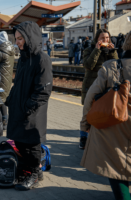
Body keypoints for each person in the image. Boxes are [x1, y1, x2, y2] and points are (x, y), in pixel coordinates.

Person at [80, 31, 131, 200]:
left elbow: (90, 98)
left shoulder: (111, 66)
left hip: (115, 125)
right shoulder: (92, 51)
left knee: (116, 166)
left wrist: (85, 124)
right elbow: (88, 64)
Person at [6, 21, 53, 191]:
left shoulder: (42, 59)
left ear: (29, 37)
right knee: (20, 143)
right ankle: (33, 172)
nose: (17, 42)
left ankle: (33, 175)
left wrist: (28, 107)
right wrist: (10, 99)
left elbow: (44, 89)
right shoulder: (24, 58)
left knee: (32, 145)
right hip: (20, 109)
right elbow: (17, 84)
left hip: (32, 112)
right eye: (16, 38)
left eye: (20, 38)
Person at [80, 29, 118, 149]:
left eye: (107, 38)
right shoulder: (89, 50)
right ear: (97, 39)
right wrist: (97, 50)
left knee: (102, 114)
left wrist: (112, 52)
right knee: (87, 114)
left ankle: (98, 140)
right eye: (102, 38)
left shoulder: (110, 51)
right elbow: (88, 65)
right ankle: (83, 138)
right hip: (90, 86)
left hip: (105, 89)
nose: (105, 40)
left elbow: (115, 67)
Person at [0, 31, 15, 130]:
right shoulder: (10, 51)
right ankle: (5, 121)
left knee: (0, 100)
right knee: (3, 100)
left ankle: (4, 122)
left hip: (0, 79)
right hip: (7, 79)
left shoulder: (0, 52)